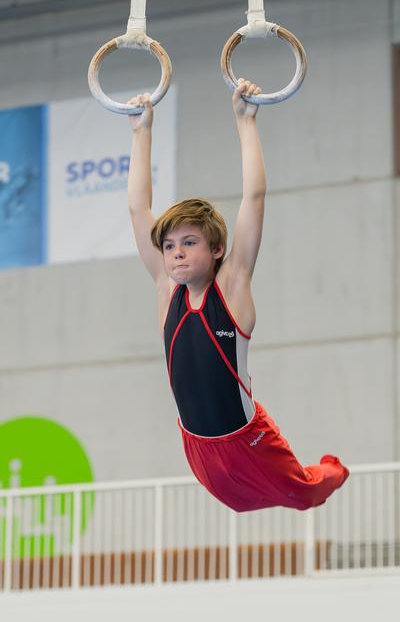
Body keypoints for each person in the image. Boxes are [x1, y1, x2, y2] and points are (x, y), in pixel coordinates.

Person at [127, 79, 349, 512]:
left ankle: (335, 470)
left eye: (189, 243)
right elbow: (138, 209)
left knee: (303, 493)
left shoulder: (232, 288)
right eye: (169, 246)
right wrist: (140, 132)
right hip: (198, 449)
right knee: (238, 505)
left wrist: (246, 121)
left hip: (247, 441)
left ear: (217, 251)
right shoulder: (165, 289)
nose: (176, 254)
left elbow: (255, 197)